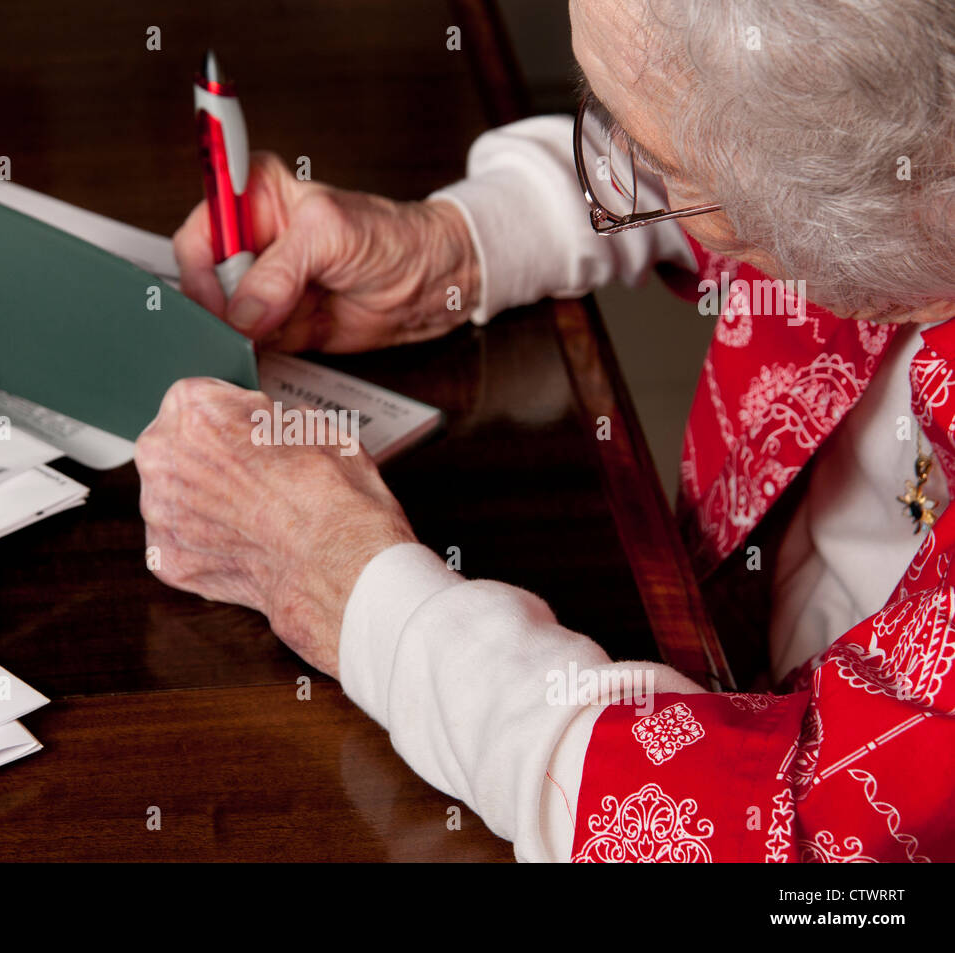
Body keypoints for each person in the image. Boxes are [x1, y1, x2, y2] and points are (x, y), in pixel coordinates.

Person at [135, 0, 955, 861]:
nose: (620, 173)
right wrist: (454, 248)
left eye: (658, 161)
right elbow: (759, 132)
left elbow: (788, 841)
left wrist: (349, 587)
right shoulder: (891, 143)